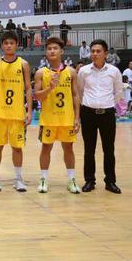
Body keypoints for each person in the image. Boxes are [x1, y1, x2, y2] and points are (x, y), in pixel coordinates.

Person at [34, 37, 81, 194]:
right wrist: (50, 88)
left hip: (67, 118)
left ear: (62, 51)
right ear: (46, 52)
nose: (52, 51)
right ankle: (43, 179)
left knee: (68, 148)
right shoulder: (41, 73)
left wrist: (77, 117)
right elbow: (37, 96)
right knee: (46, 148)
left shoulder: (71, 72)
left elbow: (75, 95)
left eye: (55, 48)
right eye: (49, 48)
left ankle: (71, 180)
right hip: (48, 119)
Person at [0, 30, 33, 192]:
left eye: (11, 43)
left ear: (16, 45)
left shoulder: (23, 64)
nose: (8, 46)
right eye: (6, 43)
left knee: (17, 148)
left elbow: (28, 88)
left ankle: (18, 179)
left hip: (17, 113)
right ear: (2, 46)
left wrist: (29, 111)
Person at [77, 40, 123, 194]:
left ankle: (110, 181)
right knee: (88, 149)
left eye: (98, 51)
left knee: (109, 149)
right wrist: (88, 104)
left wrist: (108, 104)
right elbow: (80, 91)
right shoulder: (83, 71)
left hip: (107, 114)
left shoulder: (114, 71)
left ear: (105, 54)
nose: (95, 54)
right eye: (93, 51)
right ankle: (89, 181)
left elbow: (118, 92)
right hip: (88, 113)